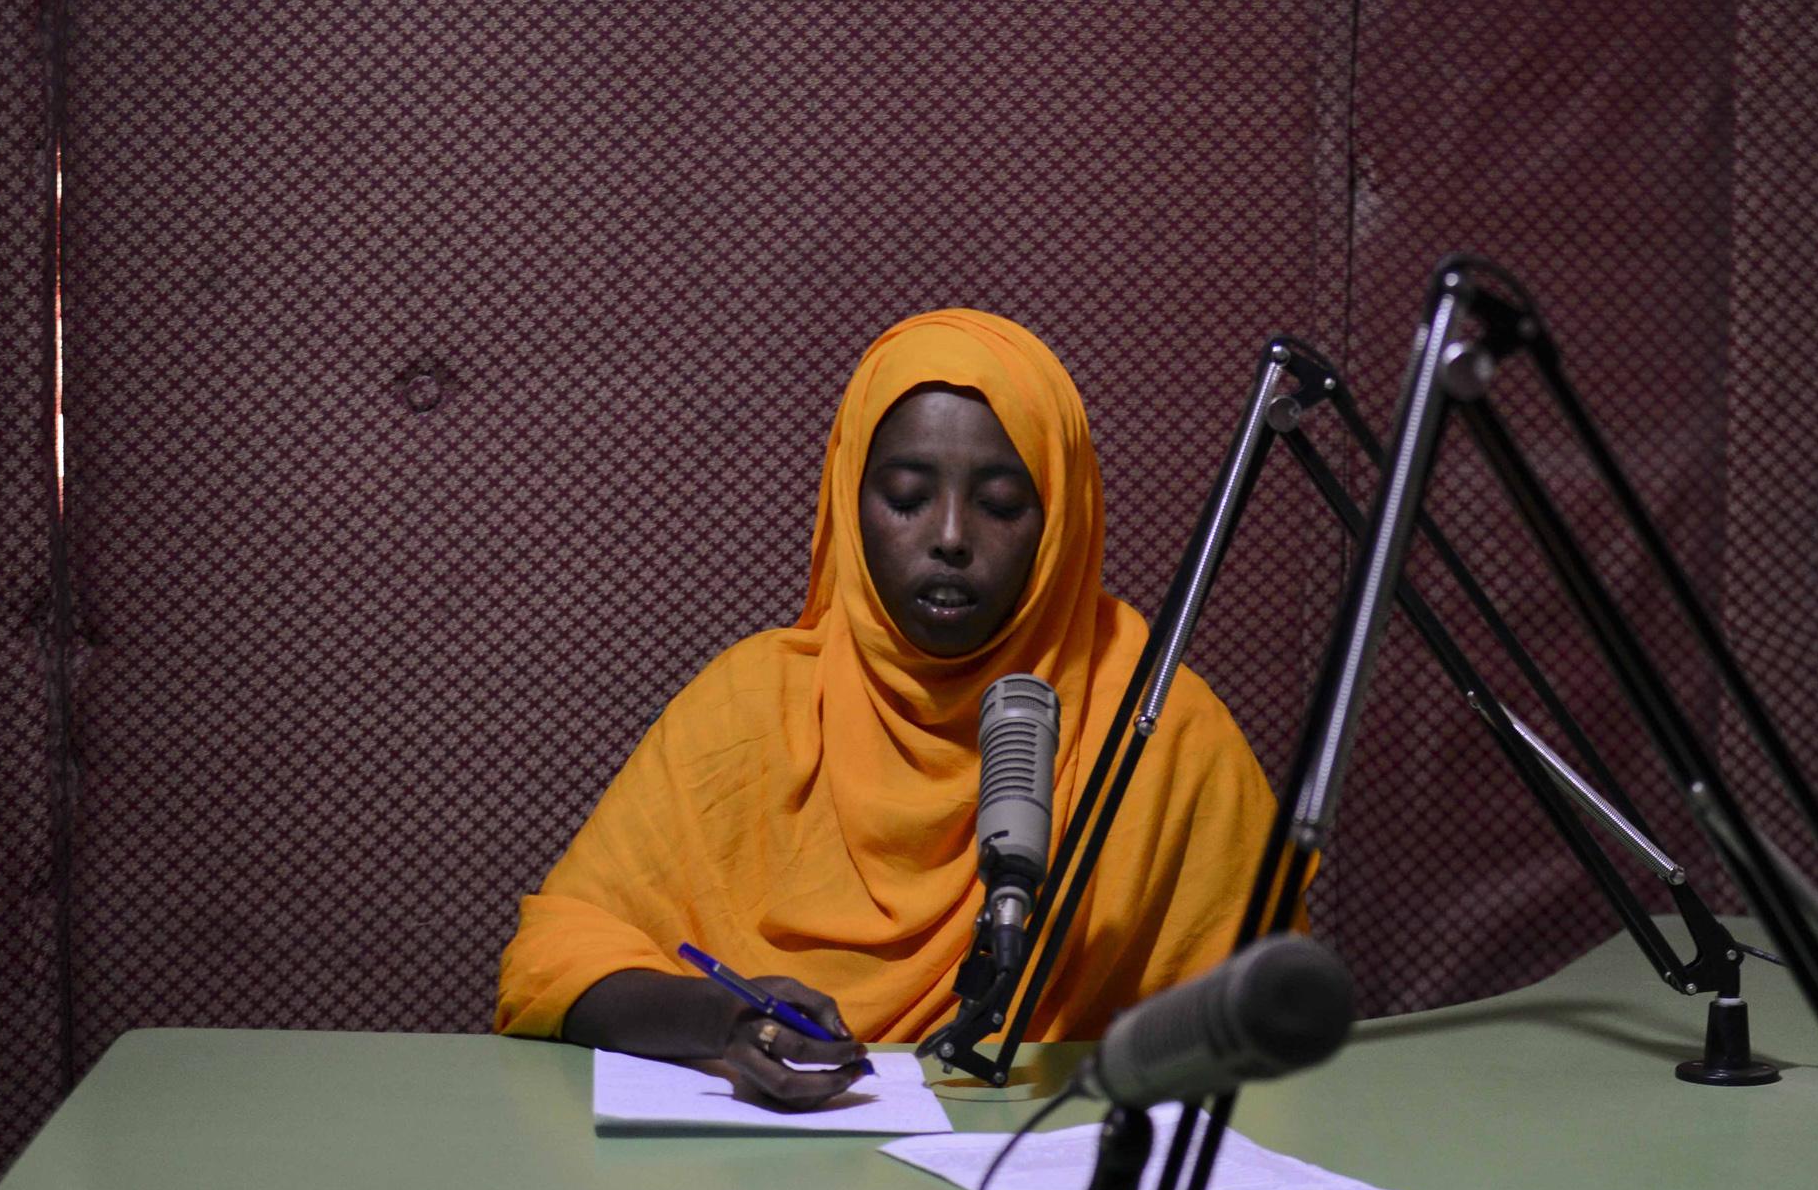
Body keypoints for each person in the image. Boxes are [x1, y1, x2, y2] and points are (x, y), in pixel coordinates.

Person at [495, 308, 1279, 1104]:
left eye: (1002, 505)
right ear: (847, 503)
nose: (948, 537)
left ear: (1062, 524)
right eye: (906, 497)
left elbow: (1266, 1018)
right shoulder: (750, 707)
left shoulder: (1155, 726)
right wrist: (725, 1023)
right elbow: (552, 959)